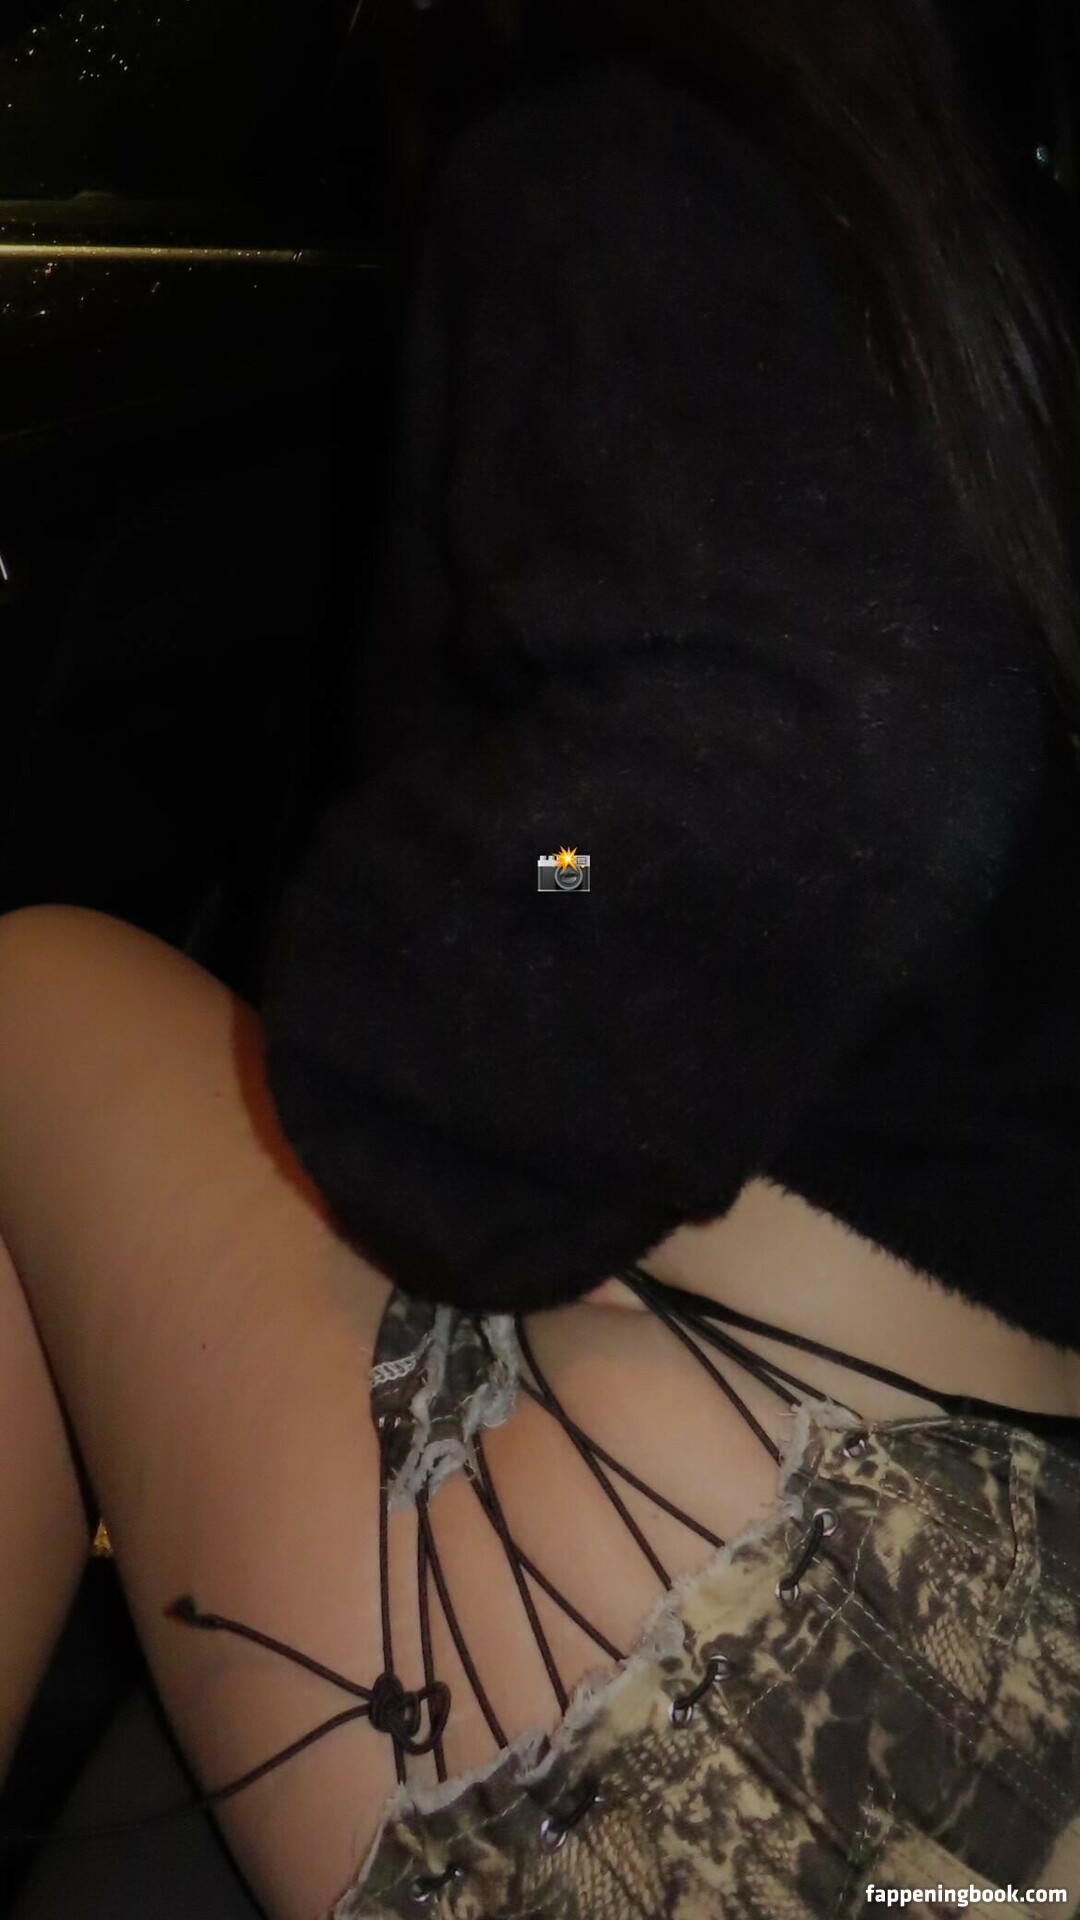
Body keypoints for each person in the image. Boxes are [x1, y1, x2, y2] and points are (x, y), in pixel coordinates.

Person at [4, 3, 1080, 1915]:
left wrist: (459, 943)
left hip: (781, 1660)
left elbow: (842, 742)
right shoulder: (939, 194)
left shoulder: (619, 140)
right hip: (1022, 1566)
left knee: (29, 996)